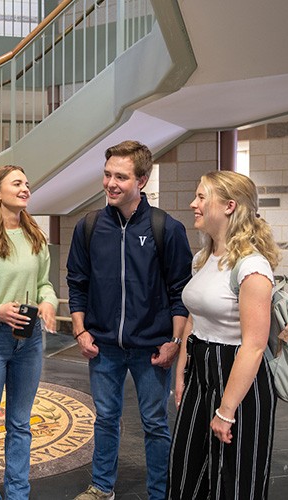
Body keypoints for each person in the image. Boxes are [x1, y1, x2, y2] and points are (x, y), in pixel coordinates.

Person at [66, 140, 193, 500]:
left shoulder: (166, 228)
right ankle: (102, 487)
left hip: (152, 348)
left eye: (120, 176)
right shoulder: (88, 226)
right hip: (103, 347)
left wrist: (175, 342)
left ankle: (159, 493)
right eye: (107, 174)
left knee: (155, 424)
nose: (111, 183)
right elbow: (78, 282)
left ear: (142, 179)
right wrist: (80, 330)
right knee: (105, 419)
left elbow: (180, 291)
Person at [167, 171, 279, 499]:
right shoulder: (206, 257)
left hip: (238, 379)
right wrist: (181, 374)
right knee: (186, 470)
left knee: (234, 481)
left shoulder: (252, 268)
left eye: (202, 197)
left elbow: (255, 346)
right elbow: (193, 320)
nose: (193, 204)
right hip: (200, 372)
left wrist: (226, 410)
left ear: (229, 206)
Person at [0, 165, 58, 500]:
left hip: (30, 340)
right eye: (17, 183)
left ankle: (18, 493)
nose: (25, 188)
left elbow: (45, 284)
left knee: (20, 424)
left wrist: (48, 303)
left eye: (27, 183)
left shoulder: (36, 237)